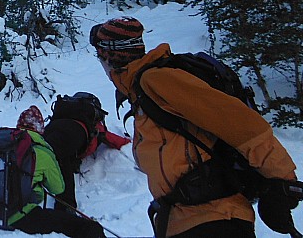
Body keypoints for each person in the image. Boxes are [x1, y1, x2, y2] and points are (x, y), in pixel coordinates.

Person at [90, 16, 299, 238]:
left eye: (100, 55)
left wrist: (282, 184)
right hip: (184, 219)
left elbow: (242, 124)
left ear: (111, 56)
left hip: (214, 217)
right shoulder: (138, 91)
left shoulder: (158, 80)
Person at [0, 106, 105, 238]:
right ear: (40, 129)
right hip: (24, 216)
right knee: (90, 229)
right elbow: (58, 188)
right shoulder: (42, 152)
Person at [42, 93, 131, 212]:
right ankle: (66, 207)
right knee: (62, 158)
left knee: (44, 151)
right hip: (74, 133)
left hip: (51, 128)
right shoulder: (93, 125)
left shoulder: (63, 114)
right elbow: (115, 140)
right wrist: (129, 143)